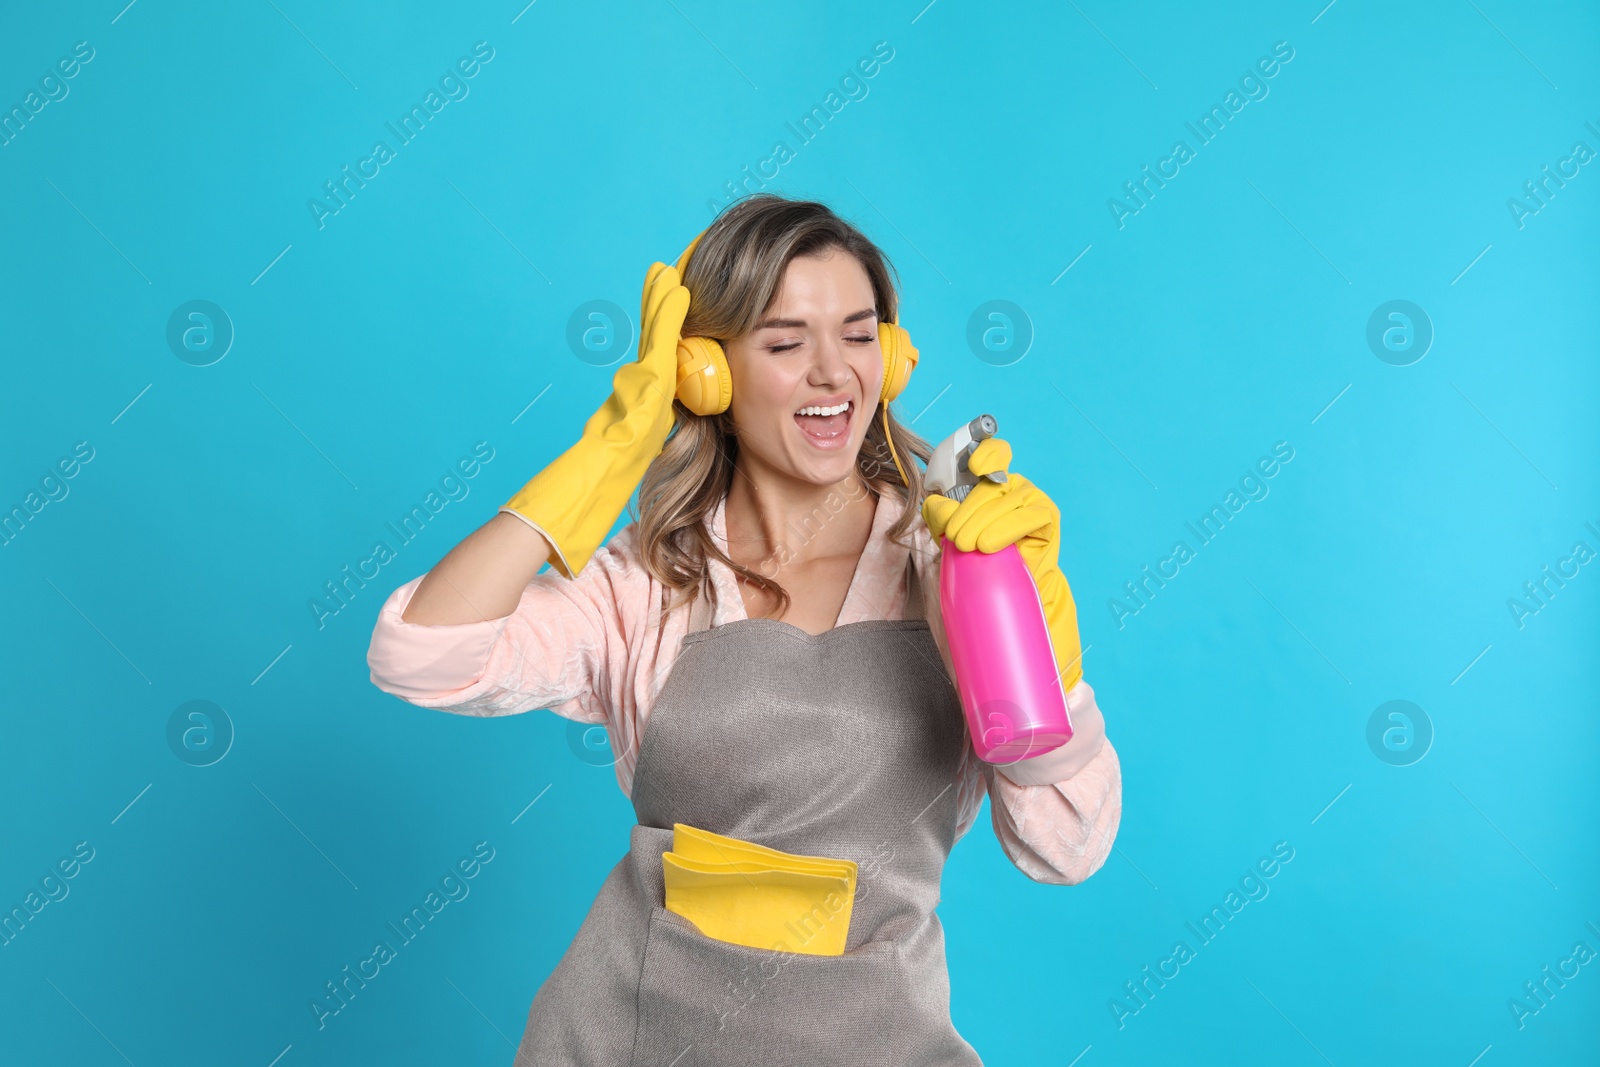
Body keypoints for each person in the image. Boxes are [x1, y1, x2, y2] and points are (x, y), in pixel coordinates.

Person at [366, 194, 1122, 1065]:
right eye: (786, 342)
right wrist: (603, 458)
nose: (834, 373)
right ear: (707, 375)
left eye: (858, 333)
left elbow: (1067, 846)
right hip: (625, 1036)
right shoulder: (650, 584)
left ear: (896, 354)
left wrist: (1032, 643)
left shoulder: (949, 564)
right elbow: (418, 653)